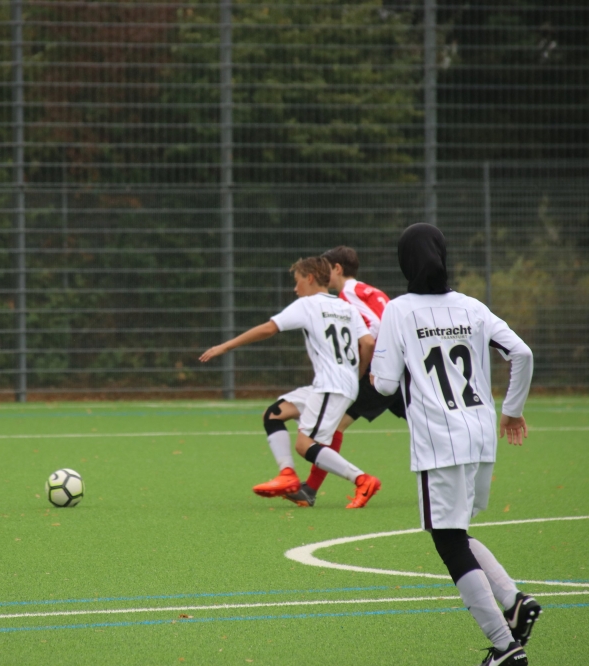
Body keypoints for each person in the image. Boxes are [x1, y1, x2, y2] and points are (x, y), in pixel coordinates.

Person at [370, 224, 540, 665]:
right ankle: (515, 603)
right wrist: (512, 409)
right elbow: (521, 353)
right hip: (481, 437)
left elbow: (384, 383)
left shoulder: (398, 310)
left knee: (448, 542)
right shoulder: (471, 306)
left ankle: (504, 646)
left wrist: (375, 366)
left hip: (439, 440)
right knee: (455, 533)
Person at [199, 256, 380, 507]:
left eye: (297, 281)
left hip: (331, 385)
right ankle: (287, 475)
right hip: (336, 384)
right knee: (273, 414)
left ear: (310, 278)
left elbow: (269, 328)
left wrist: (225, 346)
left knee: (305, 445)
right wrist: (356, 375)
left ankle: (362, 479)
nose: (295, 289)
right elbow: (368, 342)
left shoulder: (307, 304)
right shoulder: (347, 308)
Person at [286, 245, 406, 508]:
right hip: (399, 369)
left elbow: (375, 327)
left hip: (380, 372)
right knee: (424, 422)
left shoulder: (348, 294)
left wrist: (365, 365)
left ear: (337, 269)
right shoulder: (370, 291)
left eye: (325, 268)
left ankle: (312, 489)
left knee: (335, 426)